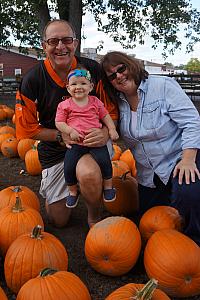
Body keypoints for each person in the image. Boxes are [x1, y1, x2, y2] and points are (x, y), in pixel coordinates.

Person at [15, 19, 118, 228]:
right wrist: (60, 135)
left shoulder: (92, 70)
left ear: (76, 43)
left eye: (67, 40)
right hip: (55, 147)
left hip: (90, 142)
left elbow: (112, 111)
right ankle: (74, 187)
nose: (60, 46)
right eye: (53, 41)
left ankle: (93, 215)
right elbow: (26, 129)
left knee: (88, 173)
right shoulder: (33, 79)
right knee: (58, 220)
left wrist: (106, 132)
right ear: (44, 46)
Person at [101, 51, 200, 246]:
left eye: (121, 69)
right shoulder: (116, 104)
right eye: (112, 76)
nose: (119, 76)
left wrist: (188, 159)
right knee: (149, 224)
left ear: (131, 65)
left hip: (179, 159)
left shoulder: (162, 86)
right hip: (149, 174)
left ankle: (194, 244)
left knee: (188, 196)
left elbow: (191, 122)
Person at [55, 67, 119, 208]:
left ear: (90, 87)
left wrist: (112, 129)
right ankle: (73, 191)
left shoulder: (95, 102)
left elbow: (105, 116)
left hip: (96, 142)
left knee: (105, 162)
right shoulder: (64, 105)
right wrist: (70, 130)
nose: (78, 87)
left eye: (83, 84)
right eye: (74, 84)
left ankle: (108, 187)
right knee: (69, 165)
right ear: (68, 88)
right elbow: (59, 122)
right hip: (77, 143)